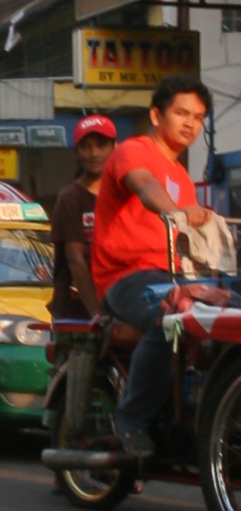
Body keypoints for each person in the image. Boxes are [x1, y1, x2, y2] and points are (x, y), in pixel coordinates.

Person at [91, 76, 213, 460]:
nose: (191, 123)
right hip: (125, 278)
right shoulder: (134, 151)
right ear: (156, 115)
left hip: (171, 276)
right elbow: (144, 187)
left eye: (198, 116)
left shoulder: (182, 178)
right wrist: (179, 213)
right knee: (170, 317)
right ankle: (131, 419)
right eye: (181, 113)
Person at [50, 114, 117, 320]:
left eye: (101, 145)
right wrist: (97, 313)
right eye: (86, 146)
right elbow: (75, 259)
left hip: (115, 300)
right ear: (77, 154)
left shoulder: (122, 195)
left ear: (115, 148)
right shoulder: (70, 198)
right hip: (76, 310)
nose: (94, 153)